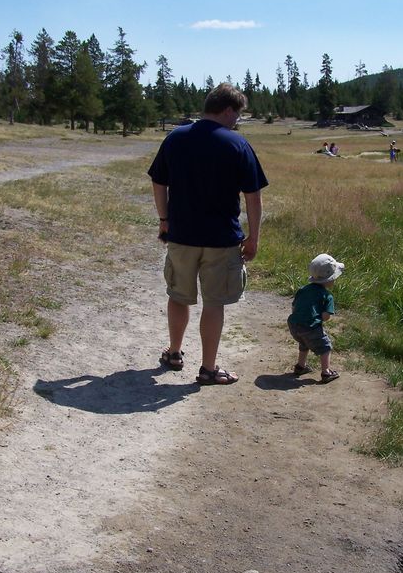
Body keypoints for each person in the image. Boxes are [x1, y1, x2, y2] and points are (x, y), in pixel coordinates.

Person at [147, 83, 268, 385]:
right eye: (237, 114)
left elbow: (158, 182)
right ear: (227, 110)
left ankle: (174, 353)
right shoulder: (237, 144)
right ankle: (208, 369)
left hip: (182, 235)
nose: (237, 120)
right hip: (221, 239)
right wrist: (253, 237)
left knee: (178, 296)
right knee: (214, 302)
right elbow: (253, 197)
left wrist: (164, 219)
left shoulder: (176, 138)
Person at [287, 253, 344, 384]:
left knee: (304, 343)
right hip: (310, 327)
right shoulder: (327, 296)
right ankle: (326, 372)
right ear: (330, 279)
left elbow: (294, 306)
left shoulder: (303, 289)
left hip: (294, 325)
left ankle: (300, 366)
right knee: (325, 347)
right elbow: (326, 317)